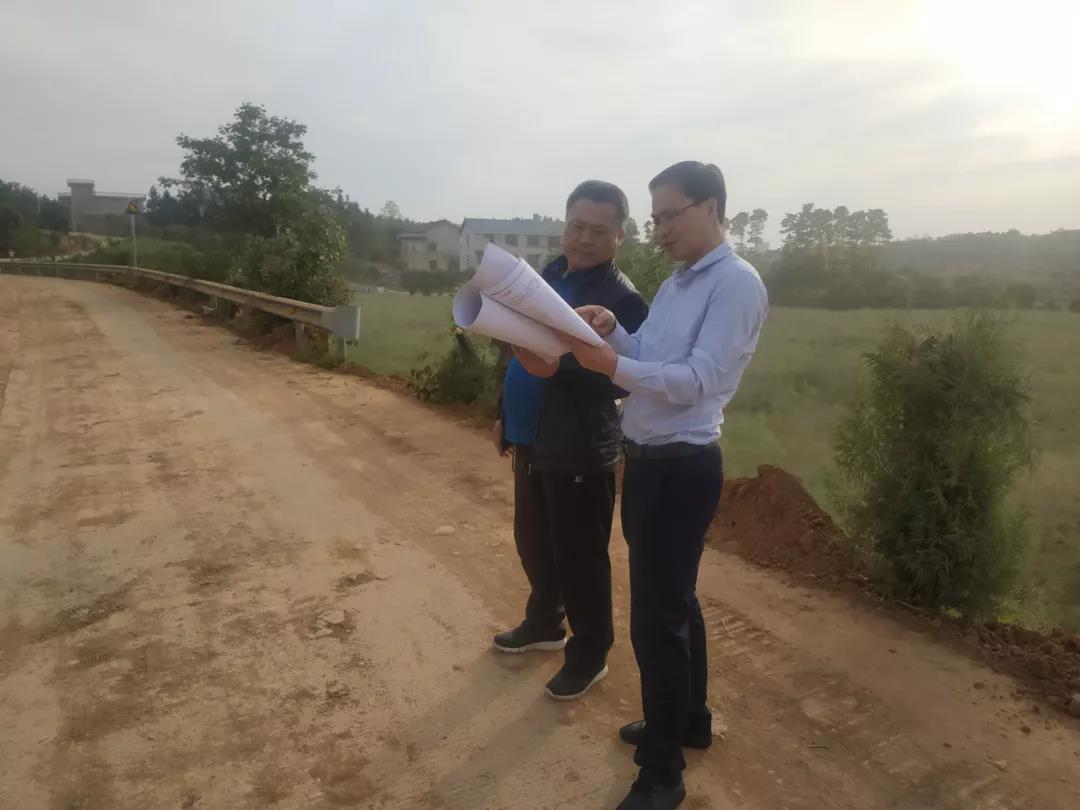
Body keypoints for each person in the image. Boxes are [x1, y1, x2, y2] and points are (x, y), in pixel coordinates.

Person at [565, 162, 768, 809]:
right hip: (650, 461)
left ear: (710, 207)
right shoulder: (680, 282)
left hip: (682, 466)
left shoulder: (736, 284)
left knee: (657, 619)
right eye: (655, 220)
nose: (661, 231)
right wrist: (612, 331)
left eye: (669, 216)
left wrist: (611, 364)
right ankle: (688, 720)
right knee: (675, 604)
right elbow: (648, 357)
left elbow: (696, 381)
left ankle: (662, 772)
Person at [491, 180, 648, 701]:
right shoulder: (546, 278)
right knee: (535, 543)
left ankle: (589, 653)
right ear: (565, 224)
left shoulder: (622, 300)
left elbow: (620, 381)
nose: (583, 238)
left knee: (580, 559)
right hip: (532, 436)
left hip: (580, 447)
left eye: (598, 231)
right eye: (577, 226)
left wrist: (557, 368)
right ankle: (544, 623)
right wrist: (504, 414)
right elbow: (518, 350)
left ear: (619, 236)